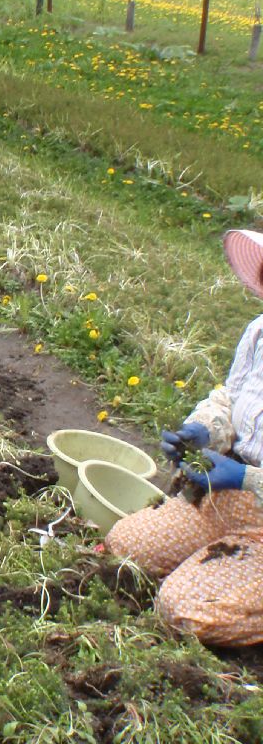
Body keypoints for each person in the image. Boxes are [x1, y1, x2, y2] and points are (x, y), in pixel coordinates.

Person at [105, 229, 263, 647]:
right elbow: (230, 399)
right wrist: (203, 429)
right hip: (224, 501)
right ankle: (214, 560)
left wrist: (247, 478)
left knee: (186, 611)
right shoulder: (259, 333)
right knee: (125, 546)